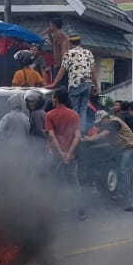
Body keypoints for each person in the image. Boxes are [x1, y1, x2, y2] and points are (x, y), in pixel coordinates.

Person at [44, 87, 86, 221]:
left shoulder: (49, 115)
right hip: (70, 156)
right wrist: (68, 154)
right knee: (73, 182)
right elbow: (77, 136)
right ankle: (81, 212)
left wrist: (61, 153)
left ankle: (54, 212)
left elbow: (51, 136)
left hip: (55, 154)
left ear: (55, 99)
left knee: (53, 182)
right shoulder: (74, 114)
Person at [49, 34, 99, 133]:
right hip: (87, 83)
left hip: (75, 84)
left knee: (74, 109)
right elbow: (93, 71)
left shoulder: (69, 54)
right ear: (80, 42)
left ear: (70, 43)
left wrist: (53, 84)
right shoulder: (88, 53)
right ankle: (81, 132)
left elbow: (62, 71)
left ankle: (74, 132)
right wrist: (96, 85)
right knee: (83, 108)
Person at [43, 18, 70, 82]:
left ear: (54, 25)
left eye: (50, 25)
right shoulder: (56, 35)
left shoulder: (60, 34)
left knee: (60, 85)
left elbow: (64, 48)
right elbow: (54, 45)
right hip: (58, 64)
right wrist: (49, 34)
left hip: (60, 65)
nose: (49, 27)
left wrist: (63, 64)